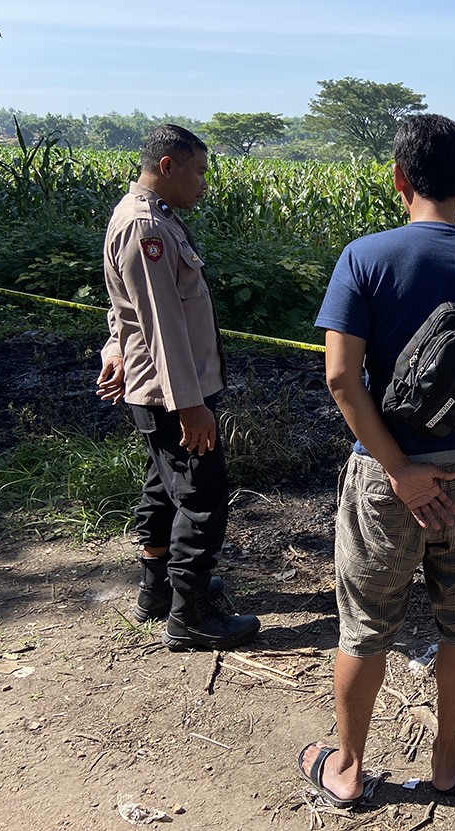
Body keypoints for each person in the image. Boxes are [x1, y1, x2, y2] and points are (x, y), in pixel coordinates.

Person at [298, 113, 455, 806]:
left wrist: (400, 469)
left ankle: (346, 767)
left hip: (385, 471)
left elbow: (342, 380)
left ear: (399, 179)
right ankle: (445, 758)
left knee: (366, 622)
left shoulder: (364, 258)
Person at [97, 124, 260, 651]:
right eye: (198, 172)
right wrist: (190, 407)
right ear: (167, 166)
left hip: (157, 387)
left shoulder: (146, 216)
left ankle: (159, 591)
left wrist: (116, 346)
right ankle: (189, 616)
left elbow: (128, 309)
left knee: (162, 487)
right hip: (172, 392)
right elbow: (163, 323)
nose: (204, 185)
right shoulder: (147, 228)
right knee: (202, 497)